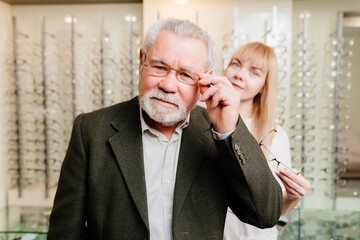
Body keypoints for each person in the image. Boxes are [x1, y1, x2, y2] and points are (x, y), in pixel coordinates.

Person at [47, 19, 283, 240]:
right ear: (142, 61)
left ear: (205, 80)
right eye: (160, 67)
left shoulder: (217, 134)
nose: (169, 85)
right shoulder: (90, 130)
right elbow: (65, 231)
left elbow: (265, 214)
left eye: (186, 75)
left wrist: (229, 131)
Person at [221, 42, 310, 240]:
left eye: (254, 72)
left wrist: (294, 196)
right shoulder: (203, 123)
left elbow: (273, 212)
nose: (240, 75)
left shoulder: (276, 135)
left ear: (264, 86)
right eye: (236, 64)